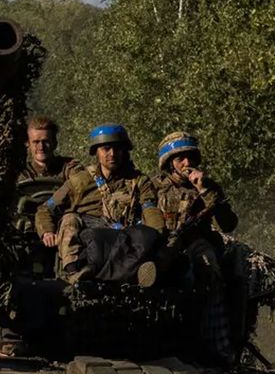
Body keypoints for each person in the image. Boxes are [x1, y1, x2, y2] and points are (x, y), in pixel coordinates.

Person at [32, 124, 164, 284]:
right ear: (96, 152)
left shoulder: (139, 181)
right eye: (106, 149)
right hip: (90, 242)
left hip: (124, 240)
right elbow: (46, 209)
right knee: (70, 219)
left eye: (117, 148)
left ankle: (134, 273)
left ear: (124, 151)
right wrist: (47, 232)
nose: (112, 154)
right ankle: (74, 273)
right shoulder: (80, 181)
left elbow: (150, 210)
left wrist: (158, 236)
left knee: (146, 236)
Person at [152, 130, 238, 261]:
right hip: (162, 244)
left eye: (190, 157)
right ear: (170, 163)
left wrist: (204, 191)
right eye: (180, 159)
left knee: (207, 261)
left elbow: (227, 225)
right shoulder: (154, 186)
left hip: (196, 245)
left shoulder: (209, 186)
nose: (187, 163)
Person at [20, 115, 80, 183]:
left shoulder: (69, 168)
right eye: (36, 142)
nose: (41, 147)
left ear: (54, 143)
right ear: (28, 144)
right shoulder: (22, 173)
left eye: (46, 141)